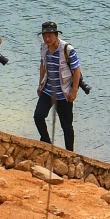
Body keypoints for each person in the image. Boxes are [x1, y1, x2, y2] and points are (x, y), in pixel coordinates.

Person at [31, 22, 86, 151]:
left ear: (56, 35)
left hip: (64, 93)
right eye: (45, 36)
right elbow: (43, 66)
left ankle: (69, 153)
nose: (47, 39)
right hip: (48, 90)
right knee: (38, 116)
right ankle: (46, 142)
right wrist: (40, 84)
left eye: (50, 36)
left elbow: (77, 70)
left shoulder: (67, 49)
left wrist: (74, 91)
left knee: (66, 126)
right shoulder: (44, 47)